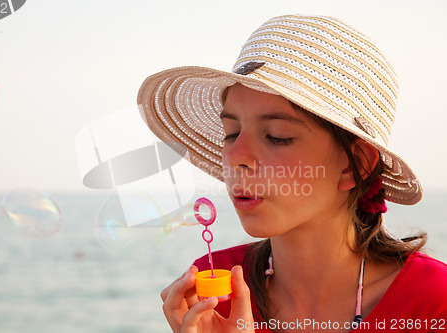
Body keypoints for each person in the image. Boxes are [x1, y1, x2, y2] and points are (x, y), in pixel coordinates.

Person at [137, 15, 447, 332]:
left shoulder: (435, 302)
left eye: (277, 136)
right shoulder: (215, 294)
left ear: (355, 165)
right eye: (231, 133)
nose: (236, 156)